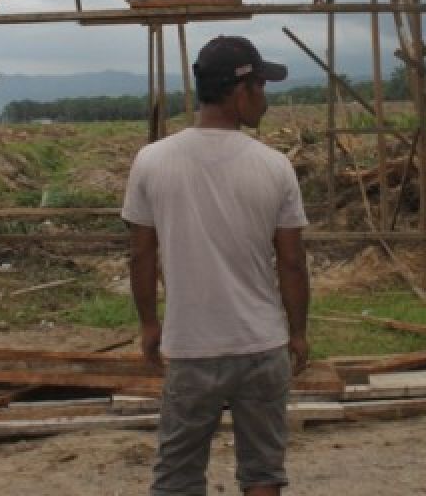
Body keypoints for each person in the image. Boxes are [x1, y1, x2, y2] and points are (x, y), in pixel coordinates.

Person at [123, 35, 310, 496]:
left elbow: (141, 254)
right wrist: (298, 332)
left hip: (192, 349)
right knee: (263, 474)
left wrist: (150, 324)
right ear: (239, 92)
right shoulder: (275, 166)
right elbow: (291, 263)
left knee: (178, 476)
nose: (265, 100)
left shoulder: (151, 161)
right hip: (261, 345)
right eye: (262, 87)